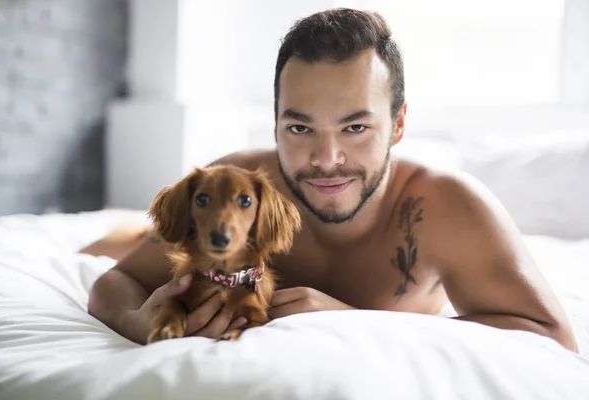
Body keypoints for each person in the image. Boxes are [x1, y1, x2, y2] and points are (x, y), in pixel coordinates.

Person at [87, 8, 577, 352]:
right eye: (300, 128)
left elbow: (553, 338)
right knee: (112, 245)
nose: (326, 159)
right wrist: (137, 319)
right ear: (276, 122)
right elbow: (119, 281)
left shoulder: (448, 208)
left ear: (398, 125)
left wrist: (359, 322)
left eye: (356, 128)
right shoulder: (241, 185)